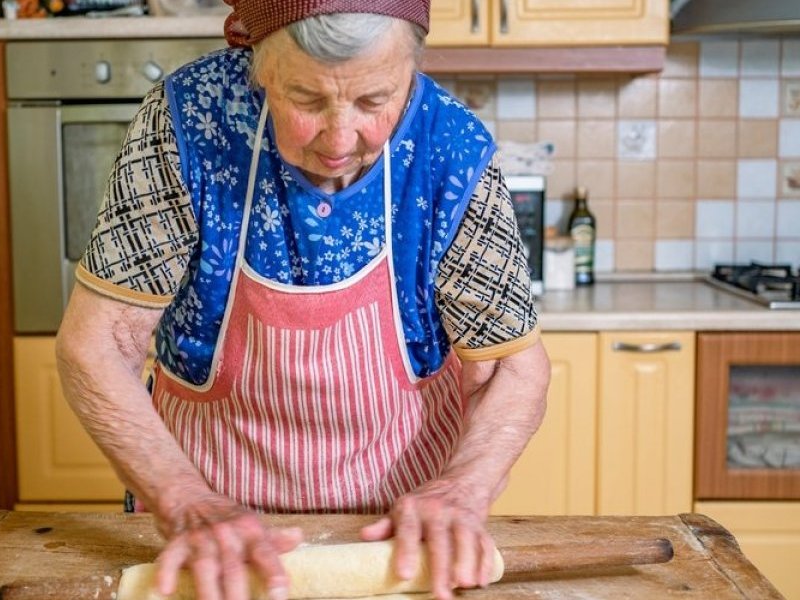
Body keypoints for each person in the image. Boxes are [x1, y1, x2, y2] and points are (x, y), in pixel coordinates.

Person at [56, 1, 551, 598]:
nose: (341, 139)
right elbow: (97, 344)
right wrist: (182, 499)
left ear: (412, 68)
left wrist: (464, 490)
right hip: (208, 541)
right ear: (257, 67)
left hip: (397, 544)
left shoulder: (451, 146)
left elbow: (511, 367)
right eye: (307, 100)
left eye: (374, 101)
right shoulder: (189, 123)